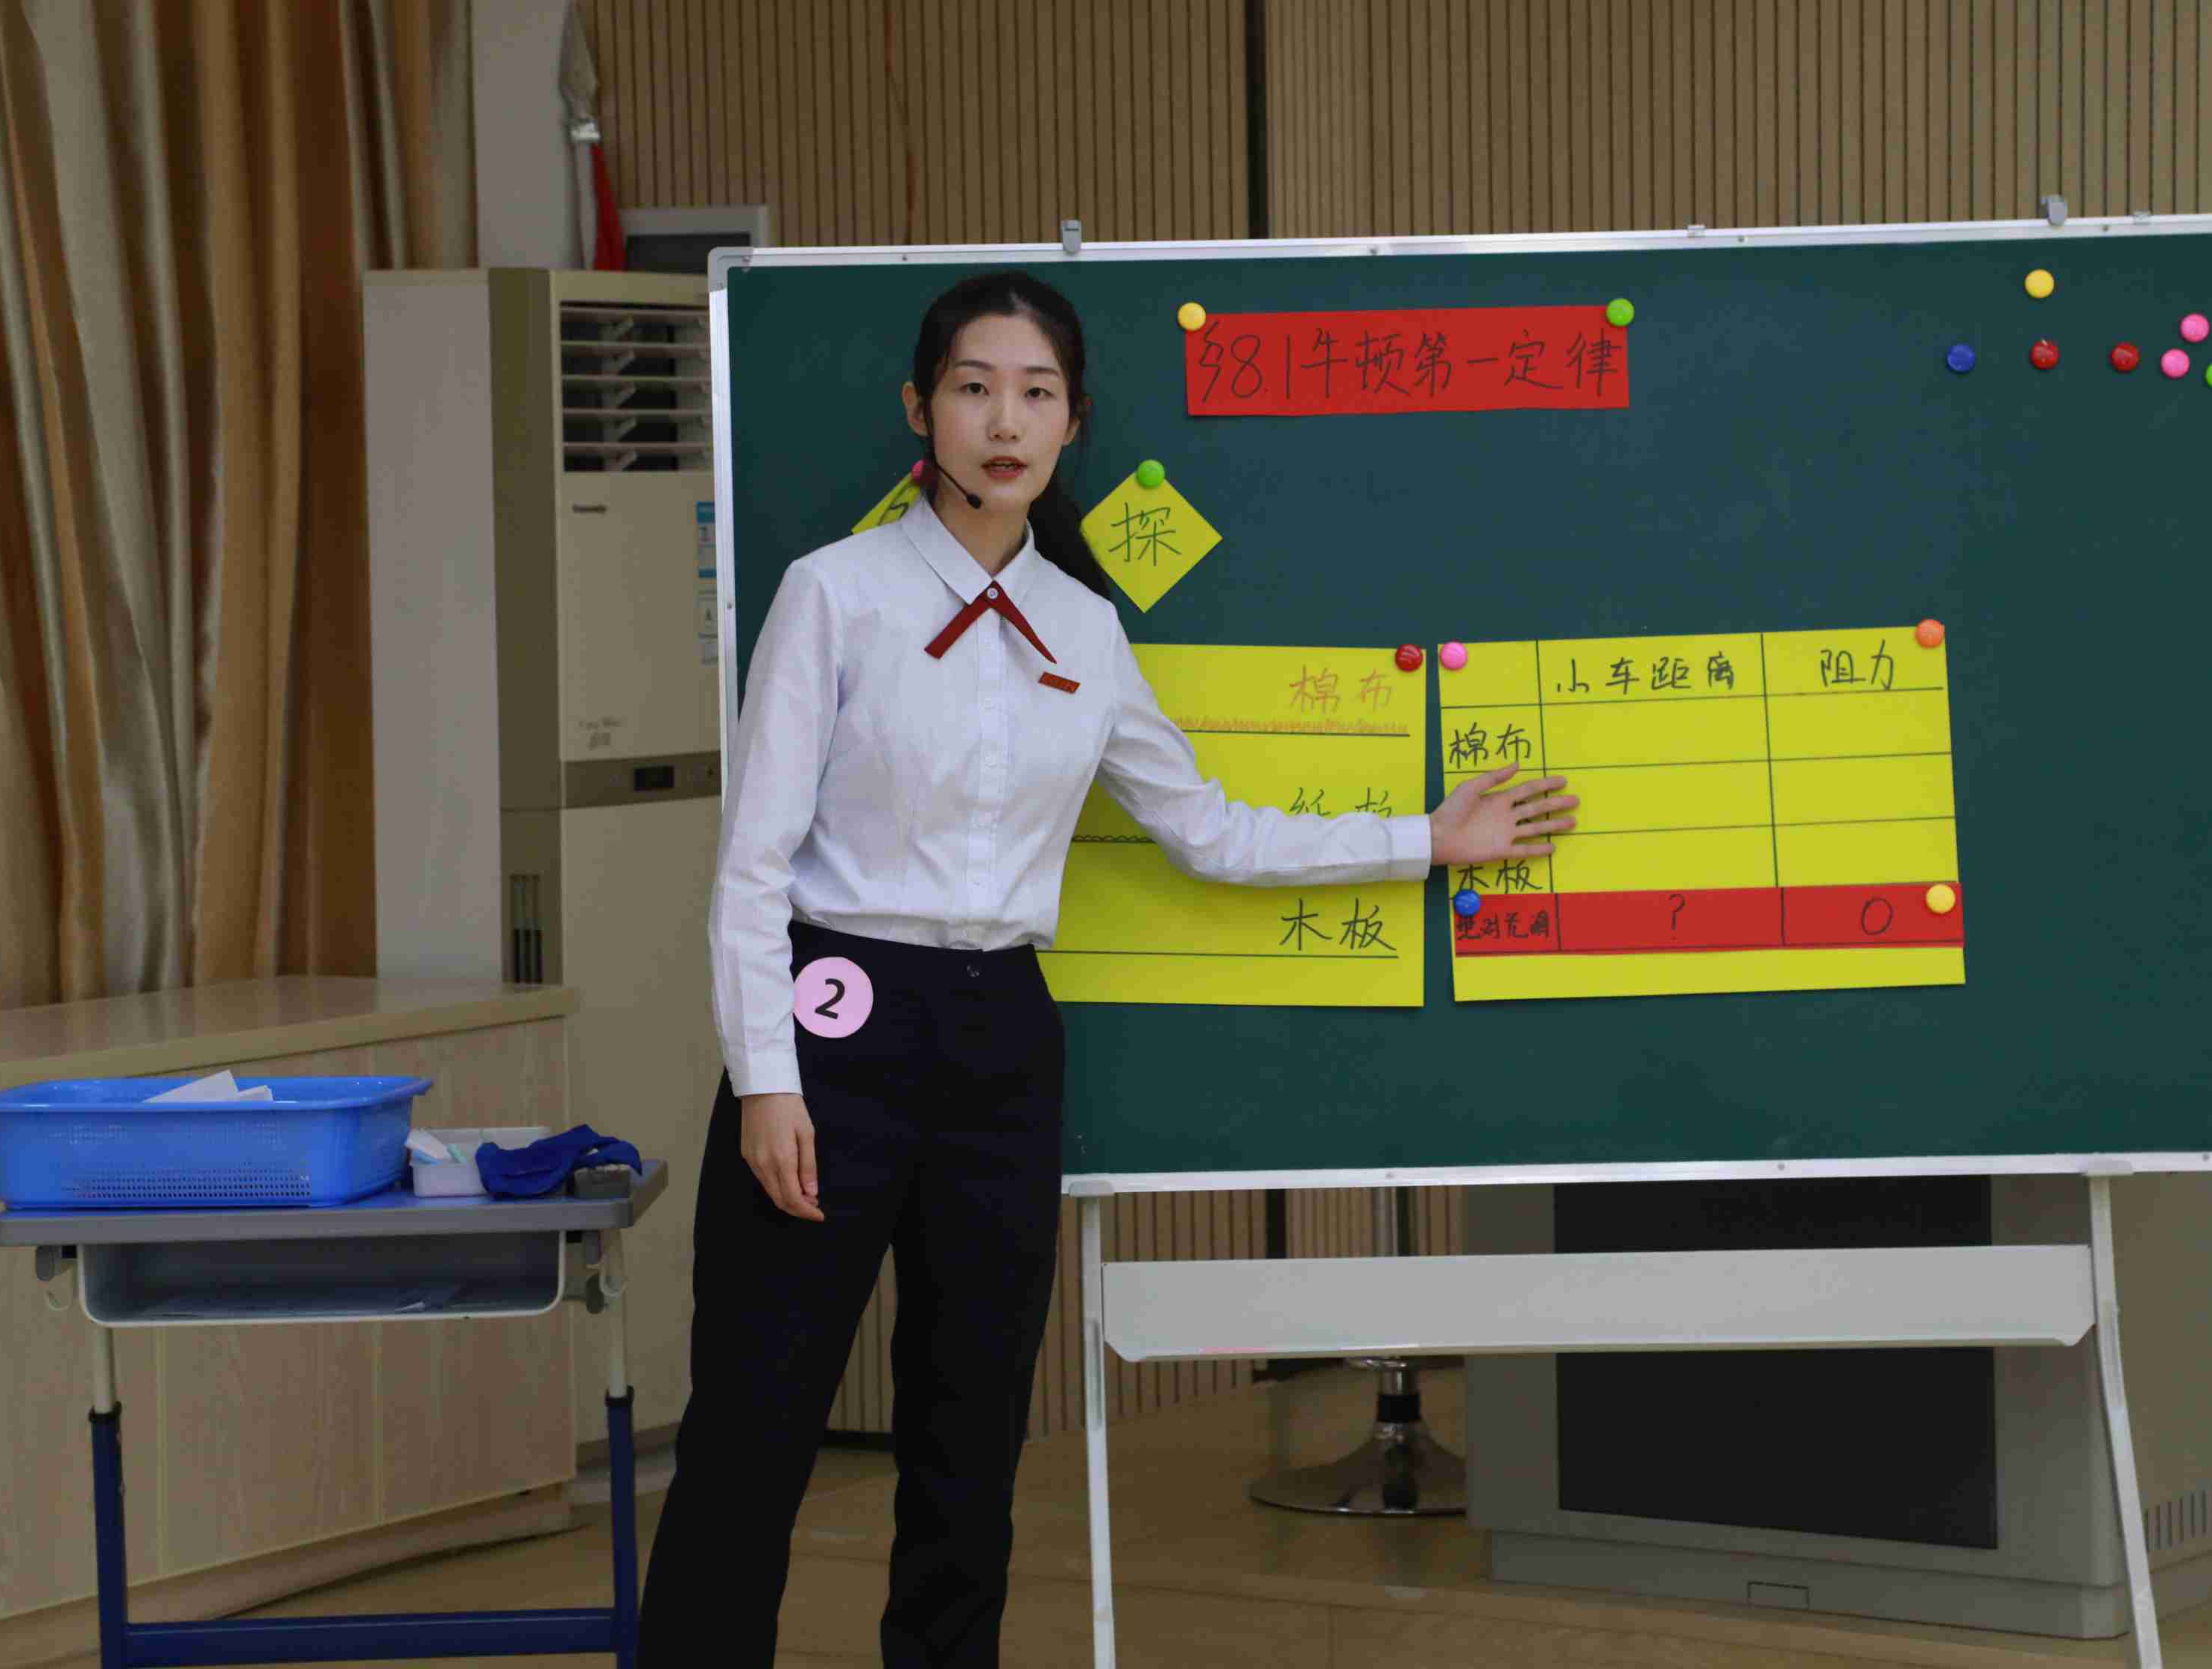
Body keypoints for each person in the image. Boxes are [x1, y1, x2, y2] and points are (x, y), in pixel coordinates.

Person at [634, 269, 1577, 1667]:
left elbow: (1206, 829)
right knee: (755, 1420)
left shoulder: (1083, 625)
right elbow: (753, 863)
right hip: (836, 1023)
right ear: (921, 410)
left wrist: (1426, 839)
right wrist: (767, 1079)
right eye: (973, 389)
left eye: (1036, 394)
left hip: (1001, 1039)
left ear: (1073, 423)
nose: (1003, 422)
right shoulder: (834, 594)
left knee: (969, 1432)